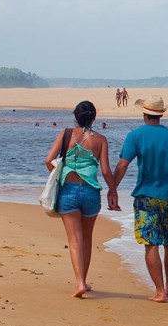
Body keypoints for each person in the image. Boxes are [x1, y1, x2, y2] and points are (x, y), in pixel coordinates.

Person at [112, 95, 168, 303]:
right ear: (161, 114)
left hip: (145, 197)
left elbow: (122, 165)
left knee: (151, 244)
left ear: (144, 113)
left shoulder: (135, 135)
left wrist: (112, 189)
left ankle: (159, 291)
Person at [44, 101, 118, 298]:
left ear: (76, 116)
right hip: (90, 192)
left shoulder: (65, 134)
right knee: (86, 239)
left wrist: (58, 175)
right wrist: (113, 191)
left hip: (68, 190)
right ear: (93, 118)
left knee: (74, 240)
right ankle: (83, 281)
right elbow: (105, 170)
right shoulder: (100, 140)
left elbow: (48, 160)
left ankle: (80, 283)